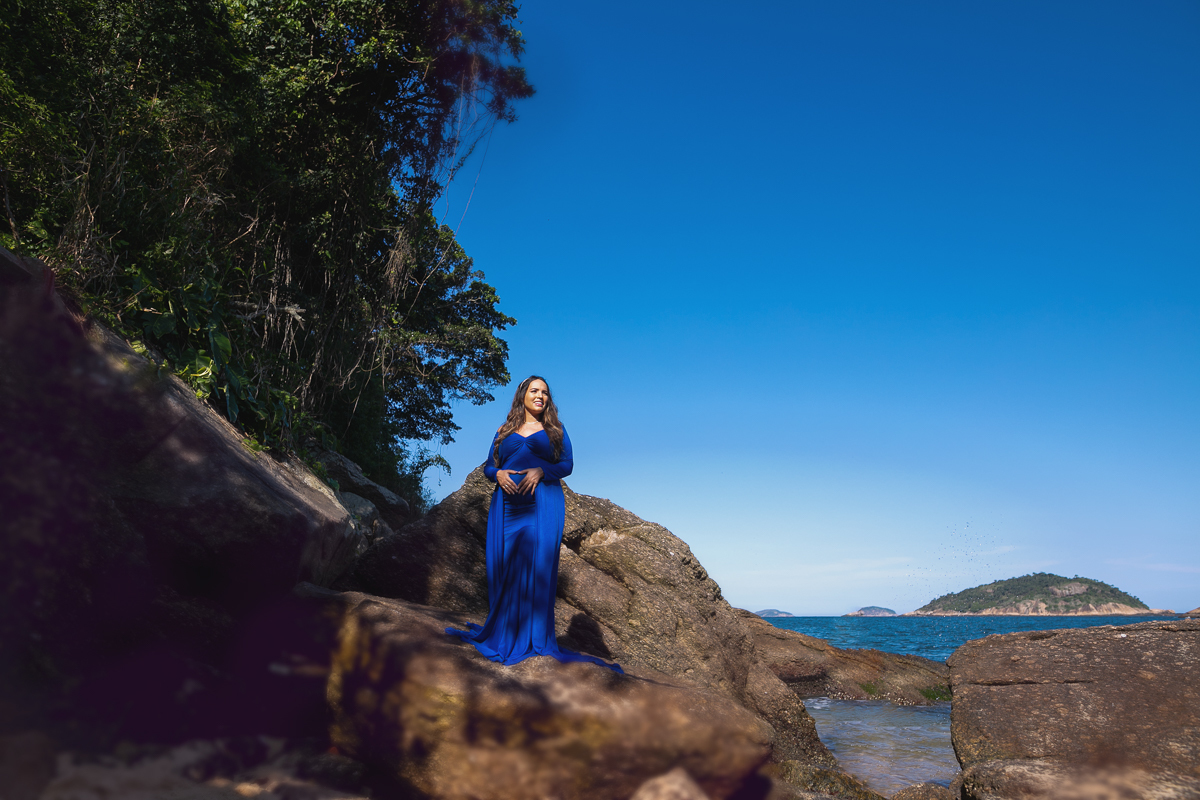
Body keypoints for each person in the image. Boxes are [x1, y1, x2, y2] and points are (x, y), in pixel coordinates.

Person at [445, 375, 622, 672]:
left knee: (535, 567)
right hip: (507, 506)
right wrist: (497, 475)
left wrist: (541, 470)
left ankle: (532, 639)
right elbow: (491, 464)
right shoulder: (504, 430)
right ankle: (506, 633)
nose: (540, 396)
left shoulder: (555, 430)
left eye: (545, 393)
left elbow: (567, 465)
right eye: (534, 391)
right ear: (523, 395)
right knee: (508, 567)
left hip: (542, 504)